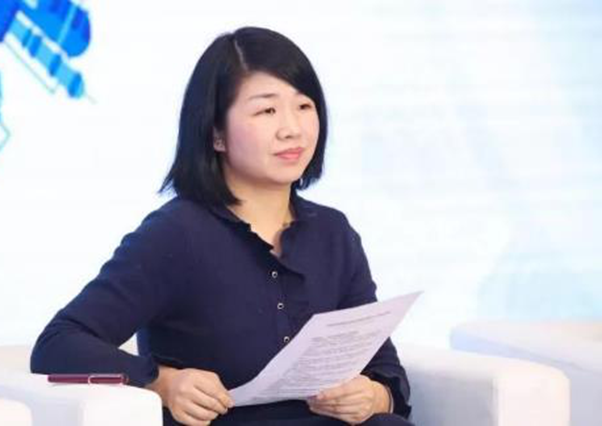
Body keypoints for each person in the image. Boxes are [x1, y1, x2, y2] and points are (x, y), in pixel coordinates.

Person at [30, 26, 413, 426]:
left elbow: (384, 367)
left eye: (304, 106)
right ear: (216, 134)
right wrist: (162, 383)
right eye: (267, 111)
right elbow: (59, 343)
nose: (292, 129)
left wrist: (374, 395)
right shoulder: (176, 234)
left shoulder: (333, 232)